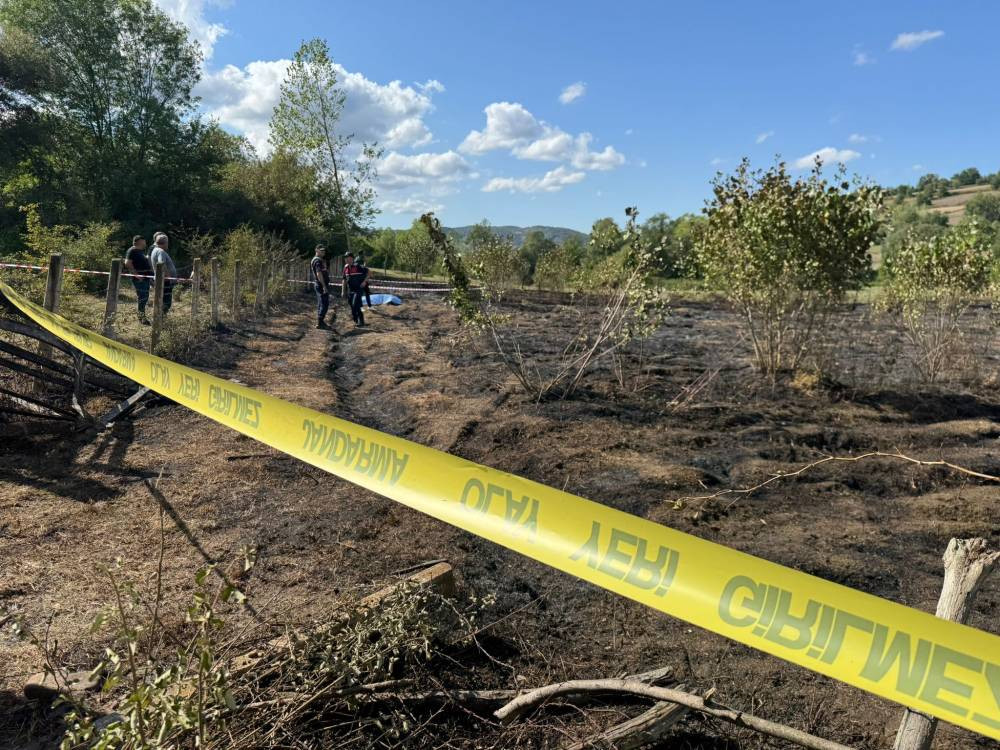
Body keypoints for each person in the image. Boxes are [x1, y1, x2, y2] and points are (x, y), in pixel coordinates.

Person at [124, 235, 153, 324]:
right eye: (144, 241)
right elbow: (127, 263)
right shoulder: (132, 250)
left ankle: (142, 316)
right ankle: (141, 318)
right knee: (142, 298)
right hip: (139, 279)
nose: (145, 243)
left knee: (144, 297)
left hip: (145, 278)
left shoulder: (139, 251)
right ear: (139, 241)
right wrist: (136, 275)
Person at [149, 233, 179, 315]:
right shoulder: (160, 251)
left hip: (162, 280)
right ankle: (161, 319)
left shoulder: (155, 250)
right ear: (165, 243)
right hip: (165, 281)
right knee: (166, 302)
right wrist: (169, 277)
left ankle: (160, 319)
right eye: (167, 242)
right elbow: (161, 264)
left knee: (162, 300)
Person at [342, 252, 369, 326]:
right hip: (350, 290)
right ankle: (361, 321)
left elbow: (369, 272)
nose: (347, 259)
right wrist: (343, 291)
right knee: (354, 305)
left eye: (349, 258)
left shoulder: (358, 266)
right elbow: (344, 280)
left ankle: (356, 317)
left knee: (354, 305)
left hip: (358, 289)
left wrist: (364, 282)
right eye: (346, 258)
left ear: (352, 259)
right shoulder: (345, 267)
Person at [310, 245, 331, 329]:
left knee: (321, 303)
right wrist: (324, 286)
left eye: (324, 251)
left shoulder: (319, 260)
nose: (323, 252)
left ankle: (320, 321)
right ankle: (320, 322)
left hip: (320, 284)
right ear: (316, 250)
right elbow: (319, 273)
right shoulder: (317, 261)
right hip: (321, 285)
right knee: (324, 303)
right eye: (321, 250)